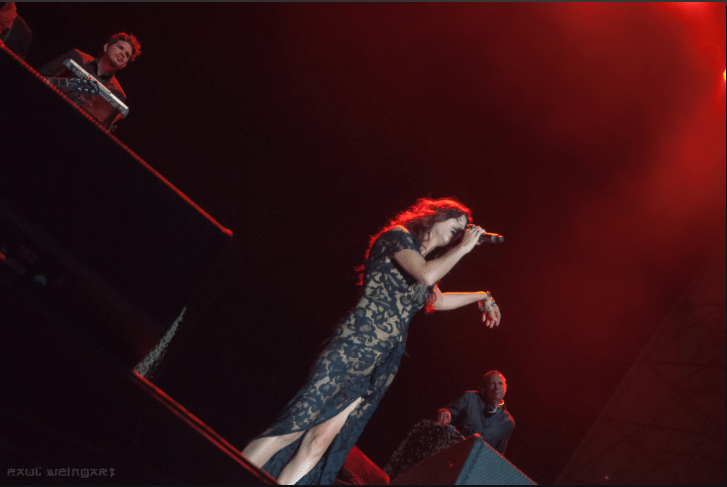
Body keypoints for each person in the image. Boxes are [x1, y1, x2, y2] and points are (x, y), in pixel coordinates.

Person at [241, 197, 503, 485]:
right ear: (436, 216)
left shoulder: (424, 261)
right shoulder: (398, 238)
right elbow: (426, 275)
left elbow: (437, 300)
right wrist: (464, 248)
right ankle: (231, 474)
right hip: (352, 346)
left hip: (377, 364)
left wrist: (482, 295)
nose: (461, 231)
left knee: (318, 442)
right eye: (457, 224)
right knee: (293, 426)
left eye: (465, 229)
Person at [37, 32, 140, 130]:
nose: (122, 54)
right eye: (120, 47)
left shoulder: (118, 94)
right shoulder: (77, 56)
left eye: (127, 55)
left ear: (124, 65)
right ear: (106, 47)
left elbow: (101, 129)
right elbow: (39, 76)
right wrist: (73, 86)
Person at [436, 370, 515, 455]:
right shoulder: (468, 397)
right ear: (483, 389)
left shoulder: (508, 422)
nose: (497, 388)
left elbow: (499, 453)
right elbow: (447, 415)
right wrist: (444, 412)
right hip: (454, 453)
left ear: (506, 387)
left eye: (500, 383)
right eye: (492, 384)